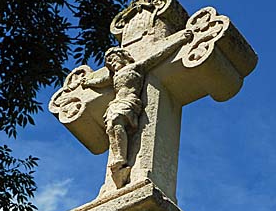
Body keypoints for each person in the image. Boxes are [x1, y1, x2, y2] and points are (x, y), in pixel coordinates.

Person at [82, 29, 193, 188]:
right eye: (109, 62)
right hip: (115, 103)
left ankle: (120, 157)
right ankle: (120, 160)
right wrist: (87, 83)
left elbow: (159, 54)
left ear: (123, 56)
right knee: (111, 127)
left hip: (130, 101)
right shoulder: (113, 76)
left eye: (114, 59)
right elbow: (100, 81)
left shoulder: (137, 67)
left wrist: (180, 40)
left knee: (116, 121)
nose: (112, 63)